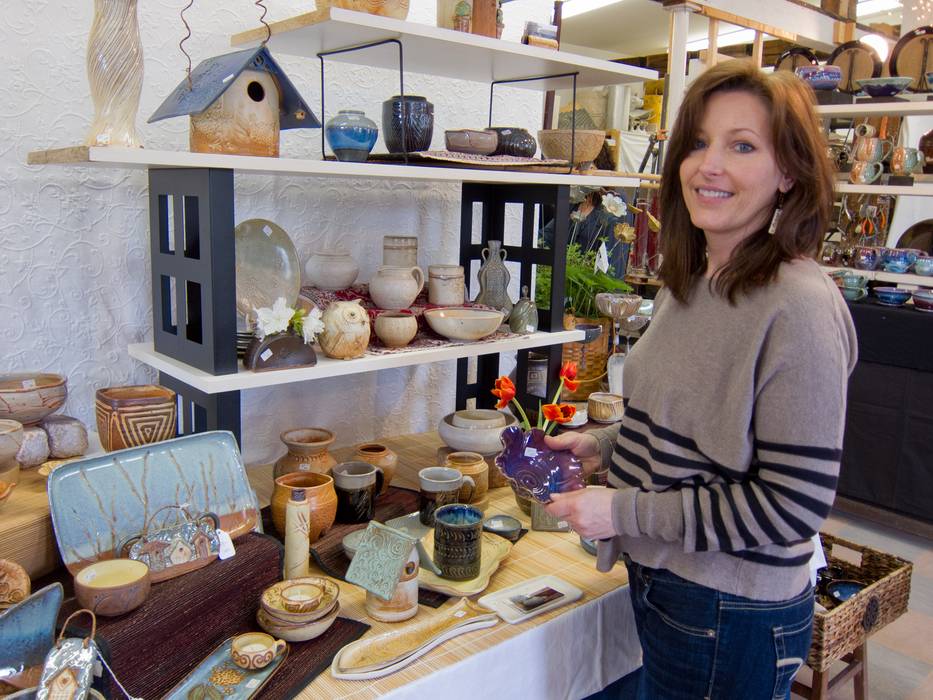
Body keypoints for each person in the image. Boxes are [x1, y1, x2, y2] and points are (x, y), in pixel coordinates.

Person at [544, 60, 857, 699]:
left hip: (731, 609)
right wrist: (601, 445)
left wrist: (618, 509)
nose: (707, 165)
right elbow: (689, 420)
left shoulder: (796, 305)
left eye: (742, 146)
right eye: (697, 142)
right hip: (670, 583)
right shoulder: (694, 279)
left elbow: (791, 507)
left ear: (790, 171)